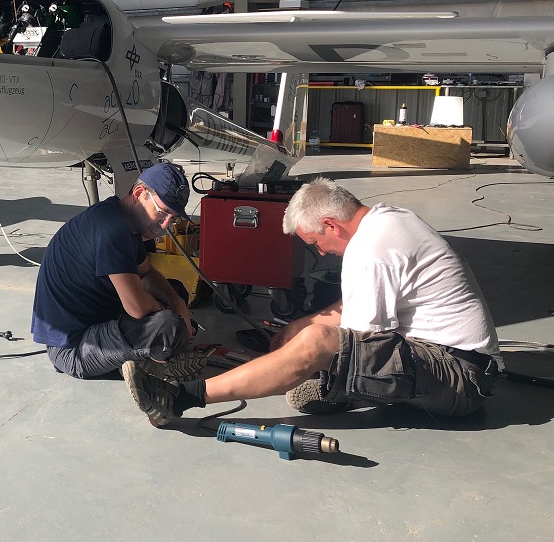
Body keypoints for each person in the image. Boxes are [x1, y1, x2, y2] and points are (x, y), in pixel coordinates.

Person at [122, 177, 503, 426]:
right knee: (304, 392)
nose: (322, 253)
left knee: (316, 350)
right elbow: (351, 309)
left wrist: (304, 348)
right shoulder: (387, 221)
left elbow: (361, 335)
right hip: (437, 359)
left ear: (331, 225)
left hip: (461, 378)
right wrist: (297, 326)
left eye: (315, 243)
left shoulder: (371, 249)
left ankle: (183, 398)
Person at [31, 162, 205, 381]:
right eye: (162, 214)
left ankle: (159, 351)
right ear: (140, 193)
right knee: (166, 325)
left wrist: (176, 302)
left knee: (175, 291)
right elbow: (137, 309)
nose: (165, 226)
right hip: (75, 348)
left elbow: (147, 273)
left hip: (98, 320)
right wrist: (171, 315)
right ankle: (156, 366)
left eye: (173, 219)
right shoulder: (112, 230)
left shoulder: (122, 218)